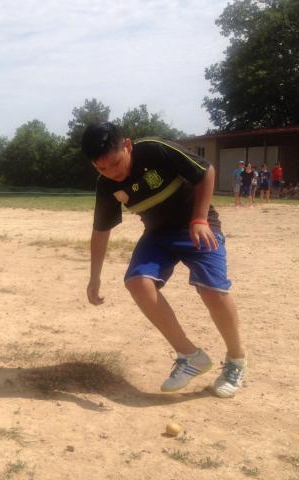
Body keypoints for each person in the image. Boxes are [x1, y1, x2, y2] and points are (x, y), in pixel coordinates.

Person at [82, 122, 246, 398]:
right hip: (158, 234)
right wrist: (94, 278)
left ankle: (236, 361)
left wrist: (200, 219)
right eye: (102, 168)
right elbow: (101, 231)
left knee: (212, 292)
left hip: (198, 225)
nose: (112, 172)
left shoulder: (155, 150)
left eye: (116, 163)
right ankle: (190, 355)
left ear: (128, 145)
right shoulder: (107, 184)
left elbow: (206, 171)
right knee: (137, 283)